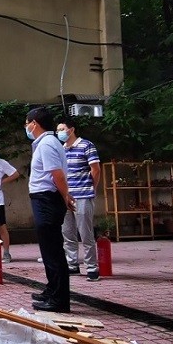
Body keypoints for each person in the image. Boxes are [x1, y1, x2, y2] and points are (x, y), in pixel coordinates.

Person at [25, 107, 76, 313]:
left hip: (47, 200)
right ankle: (52, 290)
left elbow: (57, 175)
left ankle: (59, 300)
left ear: (34, 123)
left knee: (53, 251)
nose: (26, 127)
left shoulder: (46, 144)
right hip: (44, 199)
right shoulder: (46, 143)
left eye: (26, 122)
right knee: (48, 250)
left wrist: (66, 196)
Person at [57, 118, 102, 281]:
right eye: (58, 130)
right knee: (67, 232)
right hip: (65, 196)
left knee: (85, 232)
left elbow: (95, 169)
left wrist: (92, 188)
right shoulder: (60, 149)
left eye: (62, 129)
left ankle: (92, 267)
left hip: (83, 195)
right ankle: (72, 264)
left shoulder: (86, 145)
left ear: (72, 129)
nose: (59, 133)